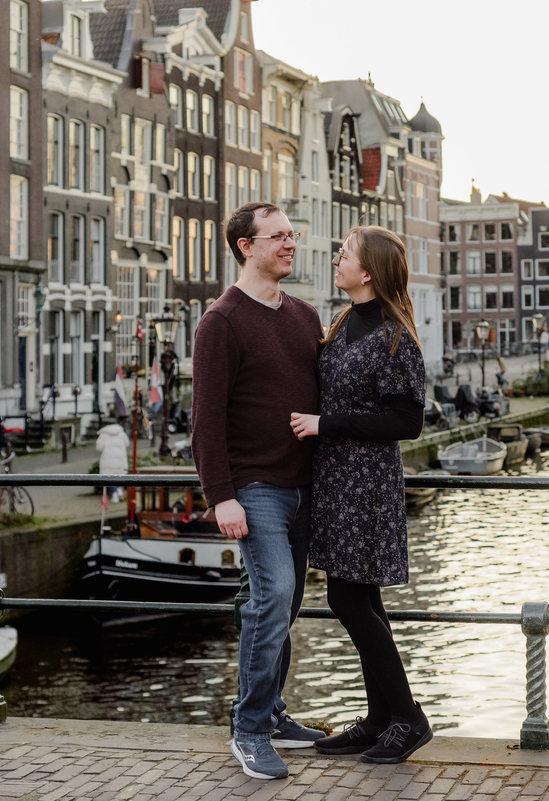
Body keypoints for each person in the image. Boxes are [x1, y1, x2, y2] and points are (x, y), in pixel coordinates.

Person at [192, 202, 326, 780]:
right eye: (278, 237)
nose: (290, 244)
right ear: (246, 246)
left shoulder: (304, 315)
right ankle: (248, 730)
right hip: (255, 488)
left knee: (287, 604)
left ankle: (272, 713)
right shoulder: (220, 322)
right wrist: (221, 495)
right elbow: (206, 418)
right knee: (272, 599)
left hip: (303, 486)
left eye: (291, 235)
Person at [289, 226, 431, 764]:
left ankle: (409, 717)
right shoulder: (346, 320)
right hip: (336, 479)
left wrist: (327, 424)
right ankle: (378, 719)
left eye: (344, 253)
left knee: (347, 598)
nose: (335, 258)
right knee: (364, 598)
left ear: (367, 271)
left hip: (367, 483)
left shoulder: (395, 336)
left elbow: (407, 422)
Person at [95, 423, 130, 504]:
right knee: (119, 475)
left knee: (110, 477)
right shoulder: (121, 433)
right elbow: (127, 443)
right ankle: (119, 490)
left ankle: (114, 494)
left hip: (108, 459)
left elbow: (99, 447)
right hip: (120, 458)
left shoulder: (103, 435)